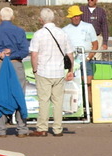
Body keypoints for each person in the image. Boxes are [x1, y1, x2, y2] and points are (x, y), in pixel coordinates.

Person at [0, 7, 30, 138]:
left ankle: (1, 129)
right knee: (19, 94)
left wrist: (0, 54)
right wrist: (12, 53)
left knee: (1, 94)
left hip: (0, 63)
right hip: (15, 63)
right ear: (13, 17)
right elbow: (24, 51)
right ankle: (21, 128)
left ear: (0, 17)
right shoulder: (19, 31)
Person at [29, 8, 75, 137]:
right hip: (59, 71)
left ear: (41, 20)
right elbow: (70, 54)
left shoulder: (38, 34)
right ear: (53, 19)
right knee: (58, 101)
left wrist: (35, 69)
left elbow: (34, 54)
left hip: (43, 70)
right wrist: (70, 70)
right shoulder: (62, 33)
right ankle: (58, 128)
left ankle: (42, 128)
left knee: (44, 100)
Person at [63, 5, 98, 106]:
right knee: (73, 86)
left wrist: (88, 58)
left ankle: (92, 110)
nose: (76, 18)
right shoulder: (65, 30)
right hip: (72, 63)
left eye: (78, 15)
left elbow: (95, 45)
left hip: (86, 60)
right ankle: (76, 109)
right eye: (74, 16)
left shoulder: (88, 26)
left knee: (88, 86)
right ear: (70, 17)